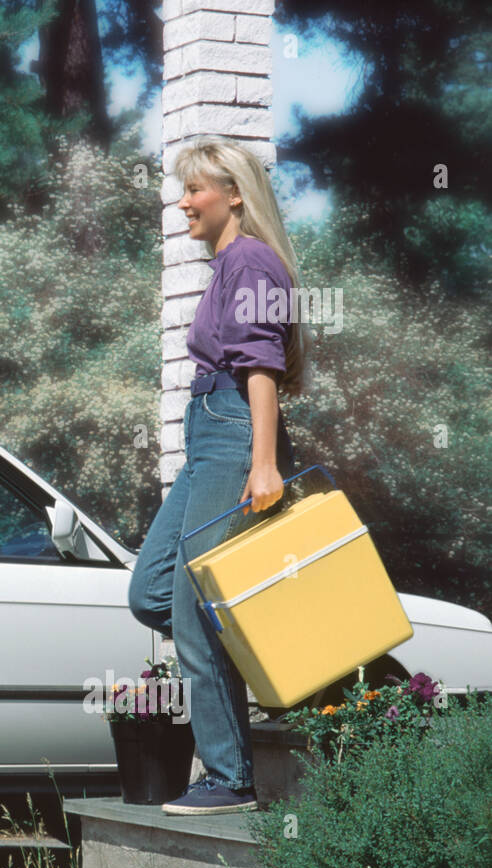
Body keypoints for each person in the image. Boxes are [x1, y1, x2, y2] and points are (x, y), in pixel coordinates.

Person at [127, 136, 305, 816]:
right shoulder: (229, 262)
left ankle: (229, 777)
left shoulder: (252, 260)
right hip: (210, 433)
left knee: (197, 610)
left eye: (194, 189)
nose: (183, 201)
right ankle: (264, 662)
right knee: (154, 594)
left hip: (233, 432)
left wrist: (263, 464)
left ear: (234, 192)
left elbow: (261, 367)